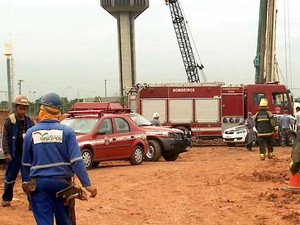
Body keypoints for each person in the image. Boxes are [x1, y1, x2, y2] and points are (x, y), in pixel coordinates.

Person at [22, 92, 97, 225]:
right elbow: (76, 161)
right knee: (65, 221)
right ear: (58, 111)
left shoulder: (30, 133)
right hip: (62, 185)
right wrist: (88, 185)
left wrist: (27, 183)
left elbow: (26, 163)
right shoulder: (67, 132)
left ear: (42, 109)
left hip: (40, 186)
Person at [1, 95, 35, 208]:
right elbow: (4, 138)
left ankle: (31, 201)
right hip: (14, 155)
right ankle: (6, 199)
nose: (23, 110)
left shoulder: (29, 122)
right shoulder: (9, 122)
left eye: (25, 108)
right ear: (16, 108)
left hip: (26, 156)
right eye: (21, 108)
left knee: (28, 179)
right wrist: (7, 153)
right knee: (10, 178)